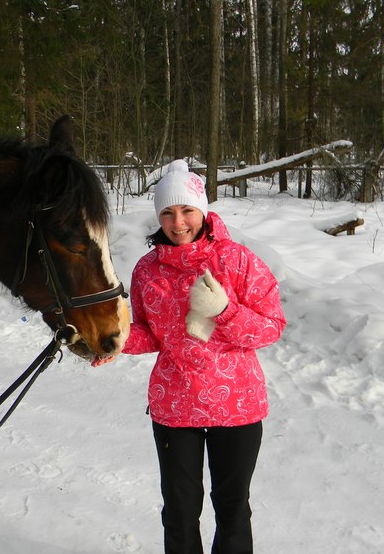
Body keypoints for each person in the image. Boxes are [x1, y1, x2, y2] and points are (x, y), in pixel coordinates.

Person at [93, 159, 286, 553]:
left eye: (186, 211)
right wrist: (110, 341)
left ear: (203, 211)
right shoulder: (147, 269)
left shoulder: (238, 260)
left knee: (232, 508)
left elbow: (271, 327)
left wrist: (225, 311)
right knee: (179, 511)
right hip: (174, 405)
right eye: (167, 212)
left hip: (237, 407)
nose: (177, 222)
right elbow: (148, 334)